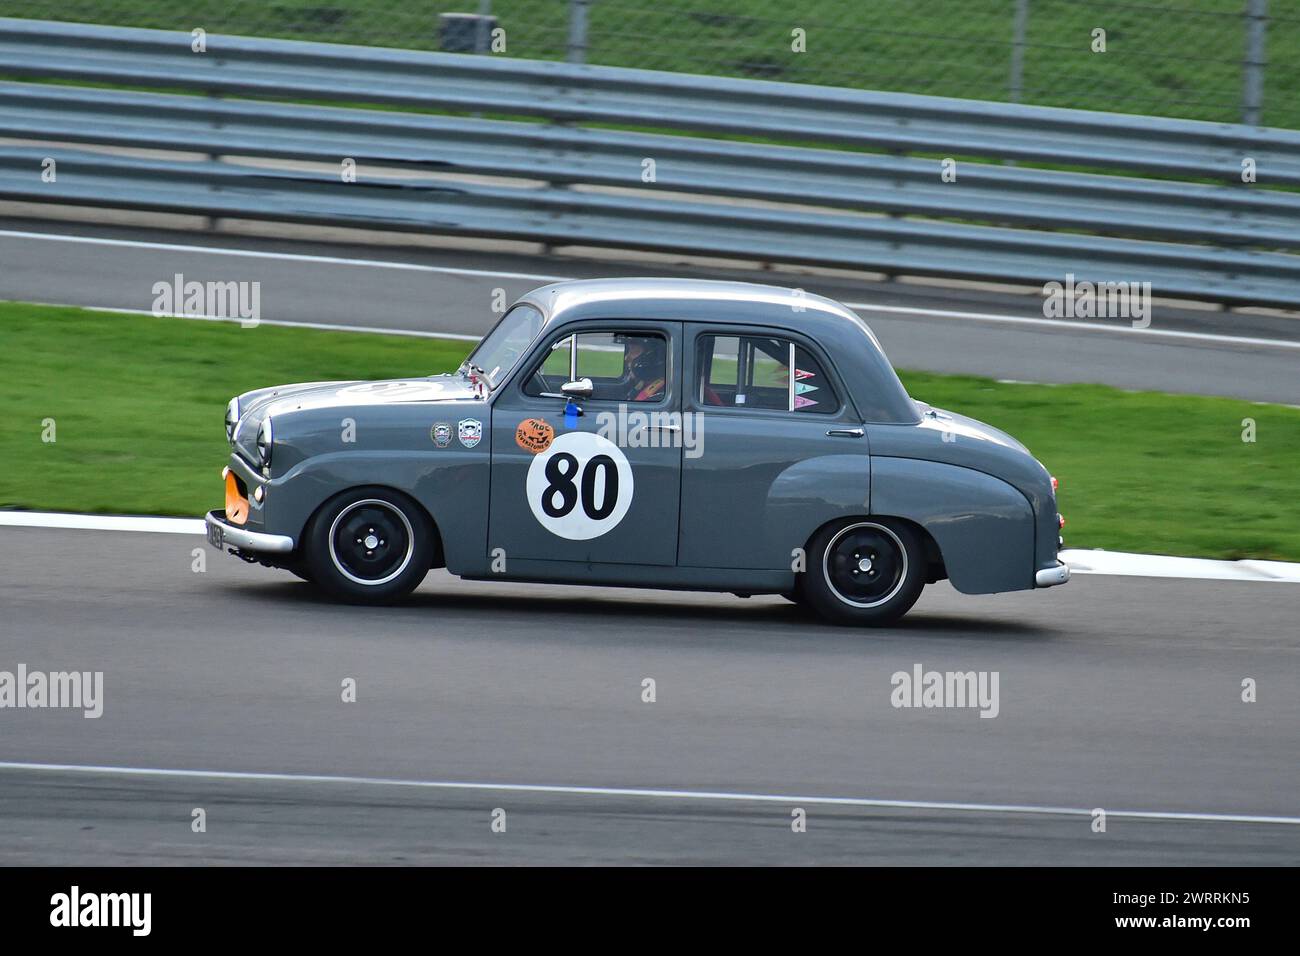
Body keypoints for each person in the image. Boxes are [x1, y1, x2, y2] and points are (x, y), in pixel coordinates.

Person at [623, 336, 666, 401]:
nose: (626, 358)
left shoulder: (657, 397)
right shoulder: (642, 384)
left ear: (648, 360)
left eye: (633, 350)